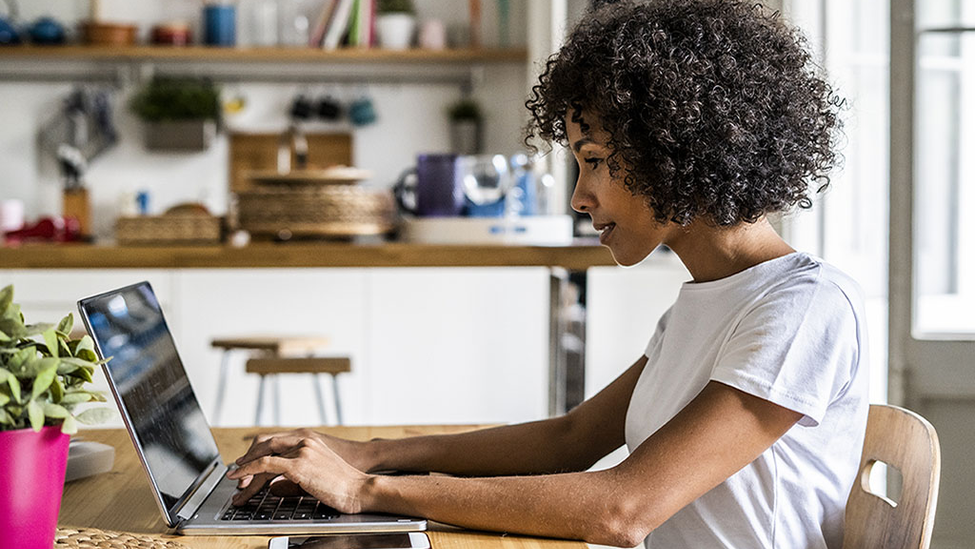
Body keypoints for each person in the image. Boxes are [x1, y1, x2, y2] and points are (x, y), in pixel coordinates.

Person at [228, 1, 869, 547]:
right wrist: (368, 453)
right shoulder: (705, 304)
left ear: (675, 150)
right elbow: (571, 438)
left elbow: (625, 508)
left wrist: (367, 490)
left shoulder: (802, 309)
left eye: (593, 161)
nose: (579, 196)